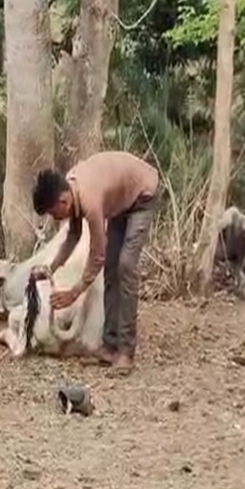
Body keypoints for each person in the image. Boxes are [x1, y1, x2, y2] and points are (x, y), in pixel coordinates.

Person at [31, 151, 160, 374]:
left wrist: (75, 291)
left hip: (143, 195)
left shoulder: (90, 201)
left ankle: (126, 352)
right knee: (112, 268)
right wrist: (49, 268)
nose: (55, 218)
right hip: (121, 201)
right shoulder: (71, 187)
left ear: (63, 201)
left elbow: (96, 255)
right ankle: (110, 346)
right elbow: (73, 237)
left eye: (54, 213)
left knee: (126, 266)